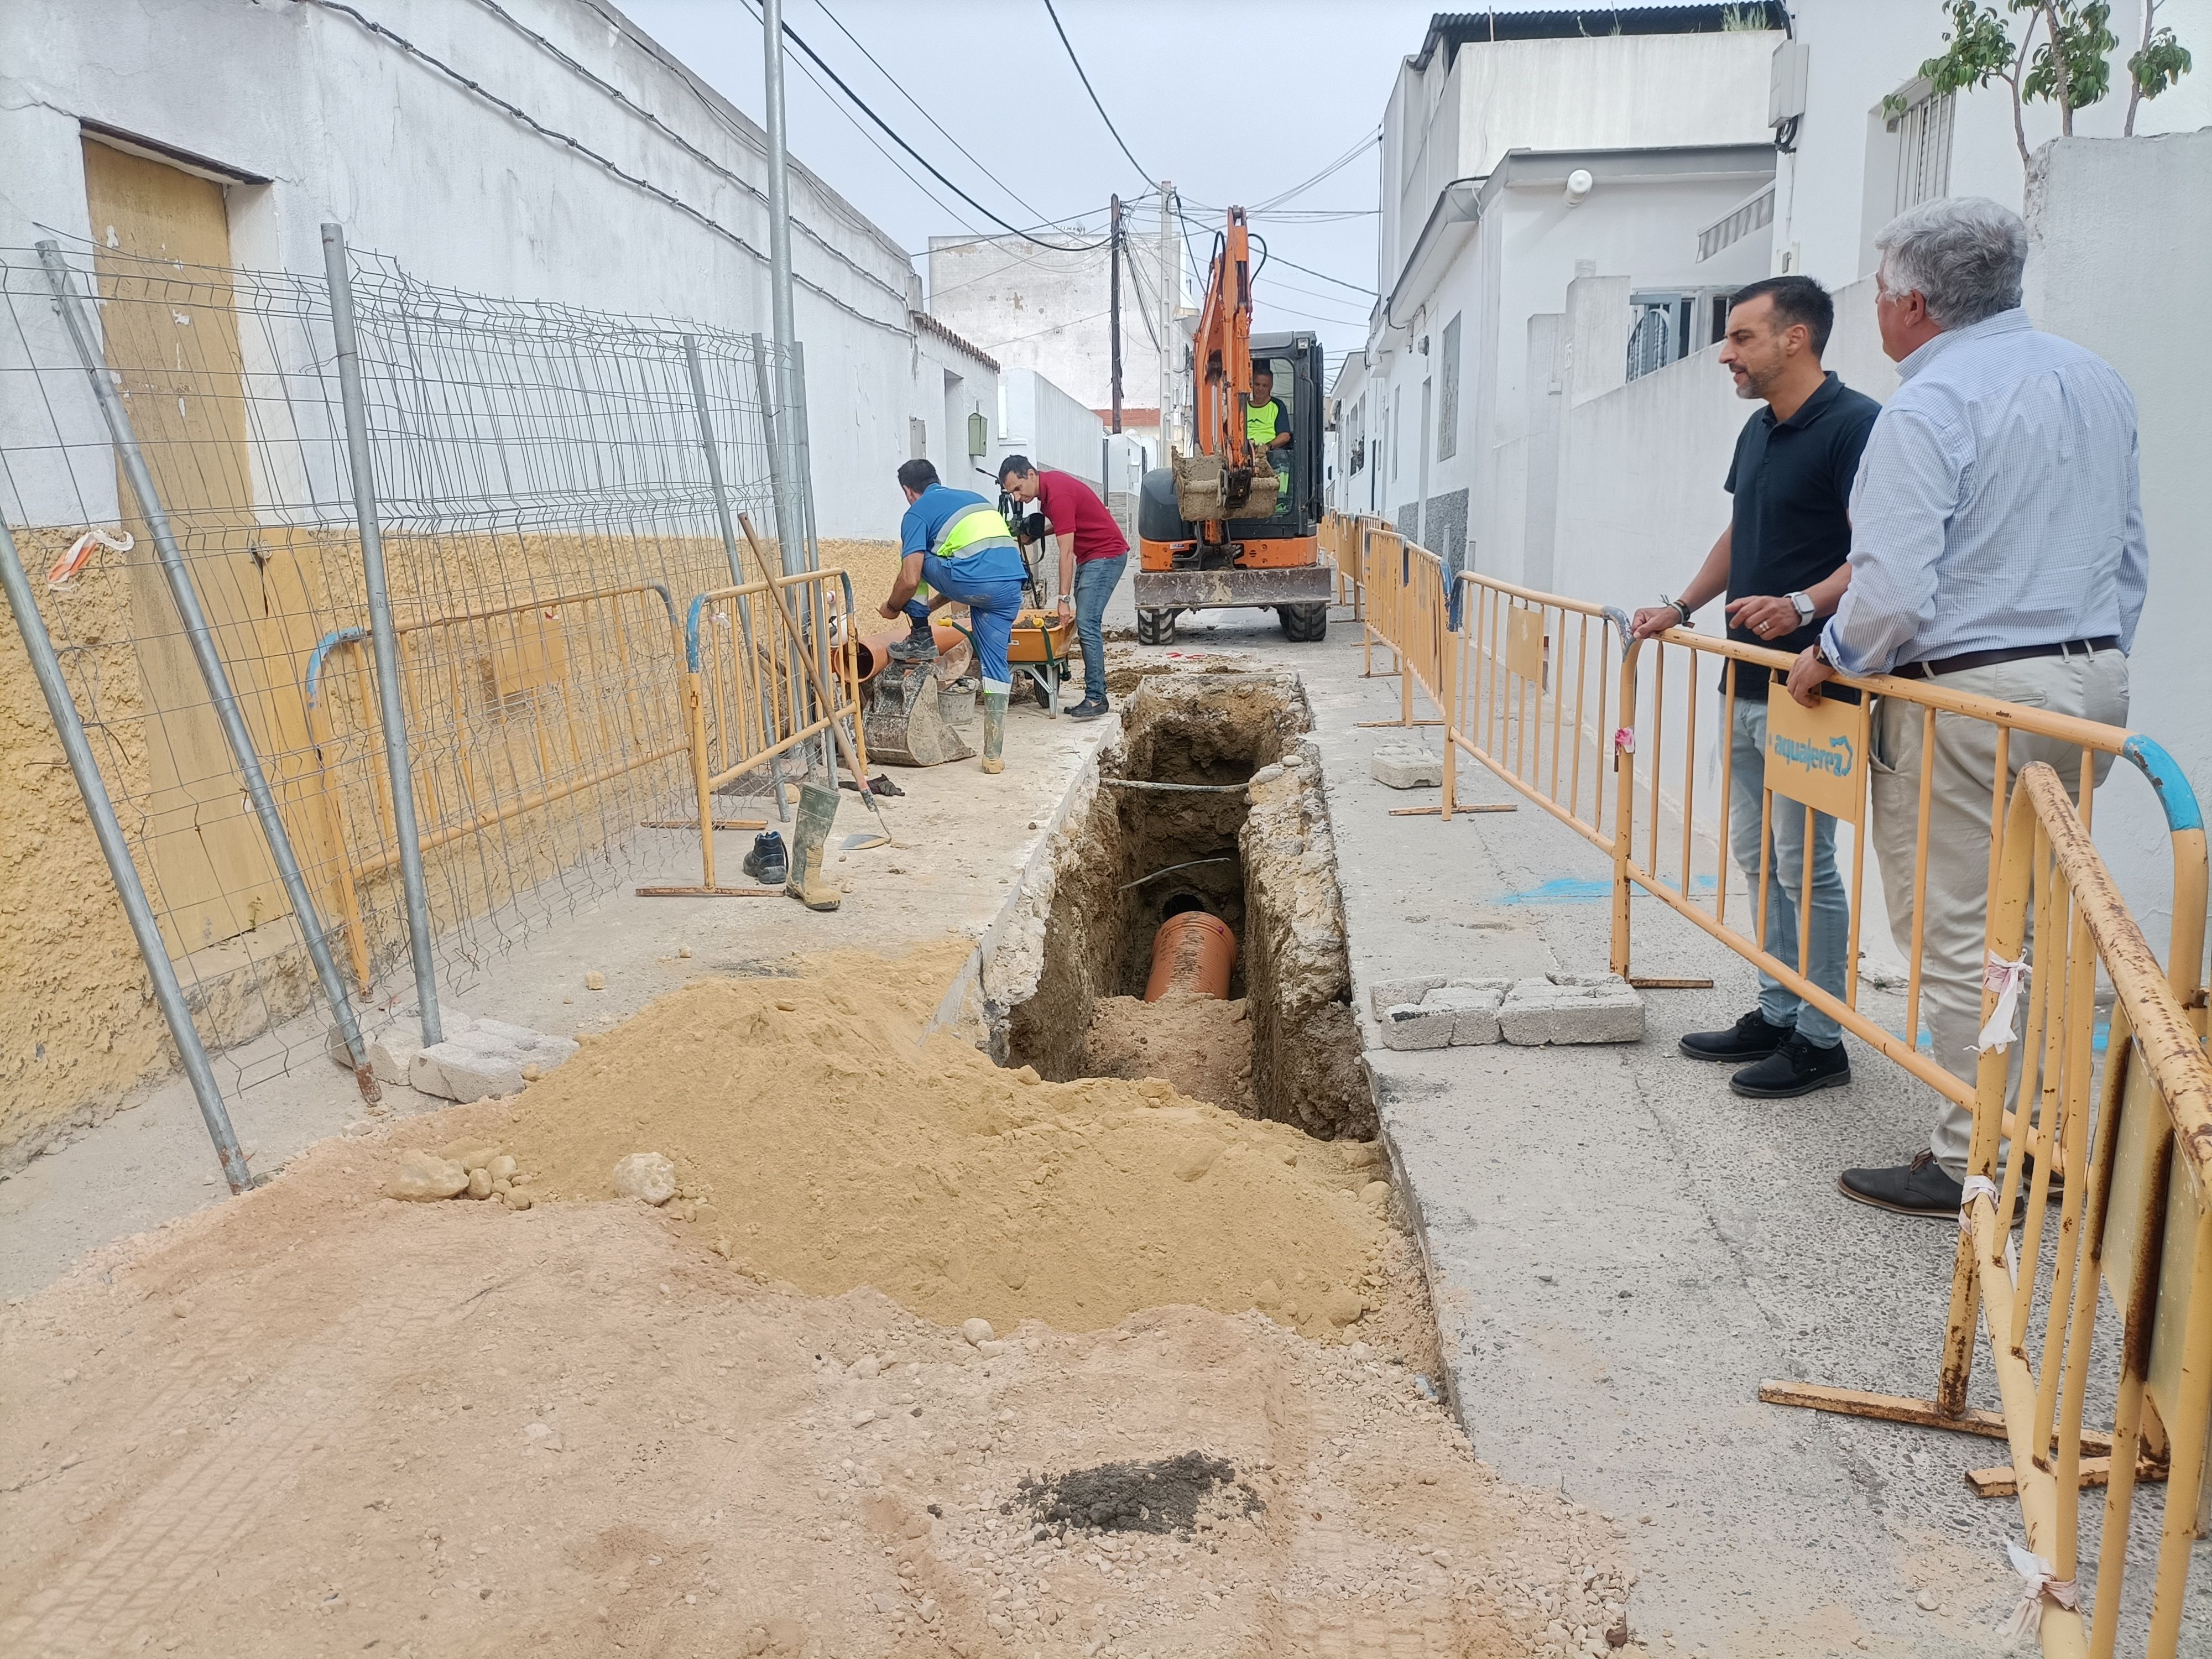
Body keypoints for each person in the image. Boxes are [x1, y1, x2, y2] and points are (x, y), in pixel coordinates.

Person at [1782, 196, 2146, 1218]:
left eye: (1883, 296)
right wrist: (2090, 666)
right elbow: (2127, 560)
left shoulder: (1929, 405)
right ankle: (2038, 1130)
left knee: (1960, 934)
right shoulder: (2096, 381)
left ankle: (1975, 1156)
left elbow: (1892, 587)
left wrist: (1835, 657)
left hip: (1974, 695)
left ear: (1913, 303)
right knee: (2037, 922)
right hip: (2086, 684)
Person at [1631, 276, 1880, 1100]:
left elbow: (1880, 553)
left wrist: (1807, 607)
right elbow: (1745, 532)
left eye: (1740, 338)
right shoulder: (1758, 432)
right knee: (1756, 857)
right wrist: (1679, 604)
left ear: (1795, 339)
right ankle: (1777, 1011)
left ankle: (1821, 1039)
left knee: (1807, 868)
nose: (1724, 353)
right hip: (1746, 681)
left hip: (1815, 687)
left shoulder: (1858, 428)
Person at [882, 458, 1028, 775]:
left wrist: (893, 609)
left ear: (909, 491)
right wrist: (934, 604)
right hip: (1009, 588)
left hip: (971, 581)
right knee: (996, 665)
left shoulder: (916, 513)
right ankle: (993, 754)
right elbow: (971, 563)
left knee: (914, 556)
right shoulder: (975, 500)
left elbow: (910, 578)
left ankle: (920, 635)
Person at [997, 454, 1128, 721]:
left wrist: (1063, 598)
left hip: (1106, 555)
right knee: (1086, 622)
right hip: (1093, 556)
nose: (1018, 497)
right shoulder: (1050, 492)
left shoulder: (1057, 495)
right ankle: (1094, 692)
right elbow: (1066, 523)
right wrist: (1036, 533)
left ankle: (1096, 699)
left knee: (1089, 622)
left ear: (1031, 474)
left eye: (1018, 489)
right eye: (1012, 493)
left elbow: (1065, 553)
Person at [1247, 363, 1293, 515]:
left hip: (1269, 452)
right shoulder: (1242, 407)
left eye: (1265, 385)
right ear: (1252, 385)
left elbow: (1285, 435)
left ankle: (1279, 502)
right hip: (1245, 450)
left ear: (1271, 387)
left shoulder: (1277, 406)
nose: (1260, 389)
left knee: (1281, 458)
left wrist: (1268, 446)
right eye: (1257, 384)